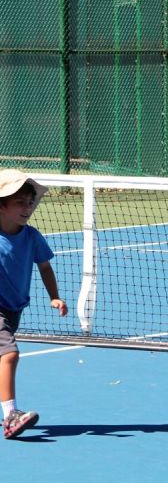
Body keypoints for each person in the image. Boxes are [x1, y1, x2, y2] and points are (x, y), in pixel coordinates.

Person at [0, 169, 68, 439]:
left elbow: (45, 267)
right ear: (2, 204)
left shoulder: (32, 236)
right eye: (20, 202)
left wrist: (54, 295)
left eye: (30, 202)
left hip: (14, 307)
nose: (27, 208)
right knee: (9, 354)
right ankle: (11, 416)